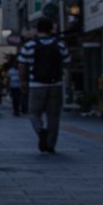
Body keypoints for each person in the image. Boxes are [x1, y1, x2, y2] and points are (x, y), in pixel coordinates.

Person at [19, 17, 69, 153]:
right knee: (53, 115)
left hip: (36, 84)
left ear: (37, 29)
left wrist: (23, 82)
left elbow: (22, 65)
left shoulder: (29, 45)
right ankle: (50, 145)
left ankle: (41, 131)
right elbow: (67, 61)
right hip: (56, 84)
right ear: (51, 29)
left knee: (34, 113)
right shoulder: (59, 44)